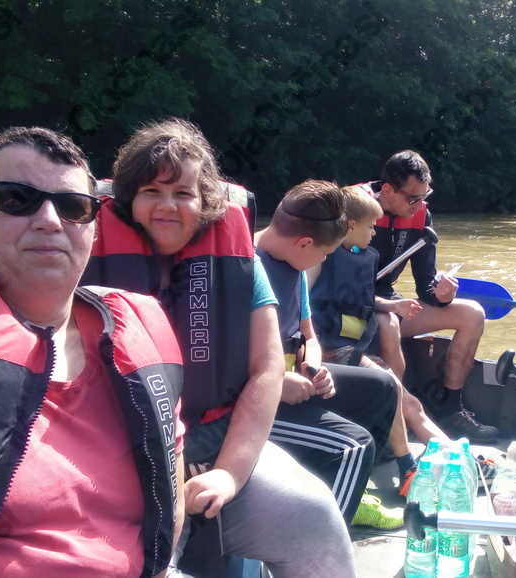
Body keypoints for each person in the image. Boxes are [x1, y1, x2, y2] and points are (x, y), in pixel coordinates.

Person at [82, 119, 355, 576]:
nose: (167, 206)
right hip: (120, 461)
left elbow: (267, 368)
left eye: (183, 193)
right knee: (150, 560)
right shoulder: (83, 254)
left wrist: (229, 473)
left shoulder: (241, 265)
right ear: (128, 199)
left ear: (206, 201)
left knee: (317, 519)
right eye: (151, 191)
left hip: (218, 443)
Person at [0, 127, 182, 578]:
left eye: (73, 207)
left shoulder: (144, 329)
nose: (49, 220)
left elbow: (172, 494)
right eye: (16, 199)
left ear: (93, 230)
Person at [254, 179, 401, 528]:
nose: (324, 260)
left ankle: (342, 488)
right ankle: (323, 539)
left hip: (293, 381)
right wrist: (279, 381)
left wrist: (314, 366)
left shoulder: (295, 266)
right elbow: (224, 360)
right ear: (305, 243)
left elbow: (309, 335)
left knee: (384, 388)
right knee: (357, 445)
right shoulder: (243, 267)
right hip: (256, 399)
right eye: (324, 254)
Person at [307, 185, 449, 494]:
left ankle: (457, 458)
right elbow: (301, 304)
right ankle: (409, 466)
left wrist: (392, 306)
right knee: (392, 387)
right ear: (350, 226)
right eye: (371, 226)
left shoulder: (363, 257)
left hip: (353, 347)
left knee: (409, 401)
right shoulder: (319, 257)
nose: (374, 233)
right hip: (328, 349)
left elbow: (358, 297)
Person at [353, 150, 498, 442]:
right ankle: (390, 423)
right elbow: (338, 285)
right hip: (351, 304)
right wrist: (390, 306)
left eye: (425, 195)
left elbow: (426, 287)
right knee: (388, 325)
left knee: (472, 314)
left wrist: (443, 295)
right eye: (413, 198)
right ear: (388, 190)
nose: (419, 205)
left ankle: (451, 410)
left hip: (389, 301)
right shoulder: (355, 208)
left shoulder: (420, 216)